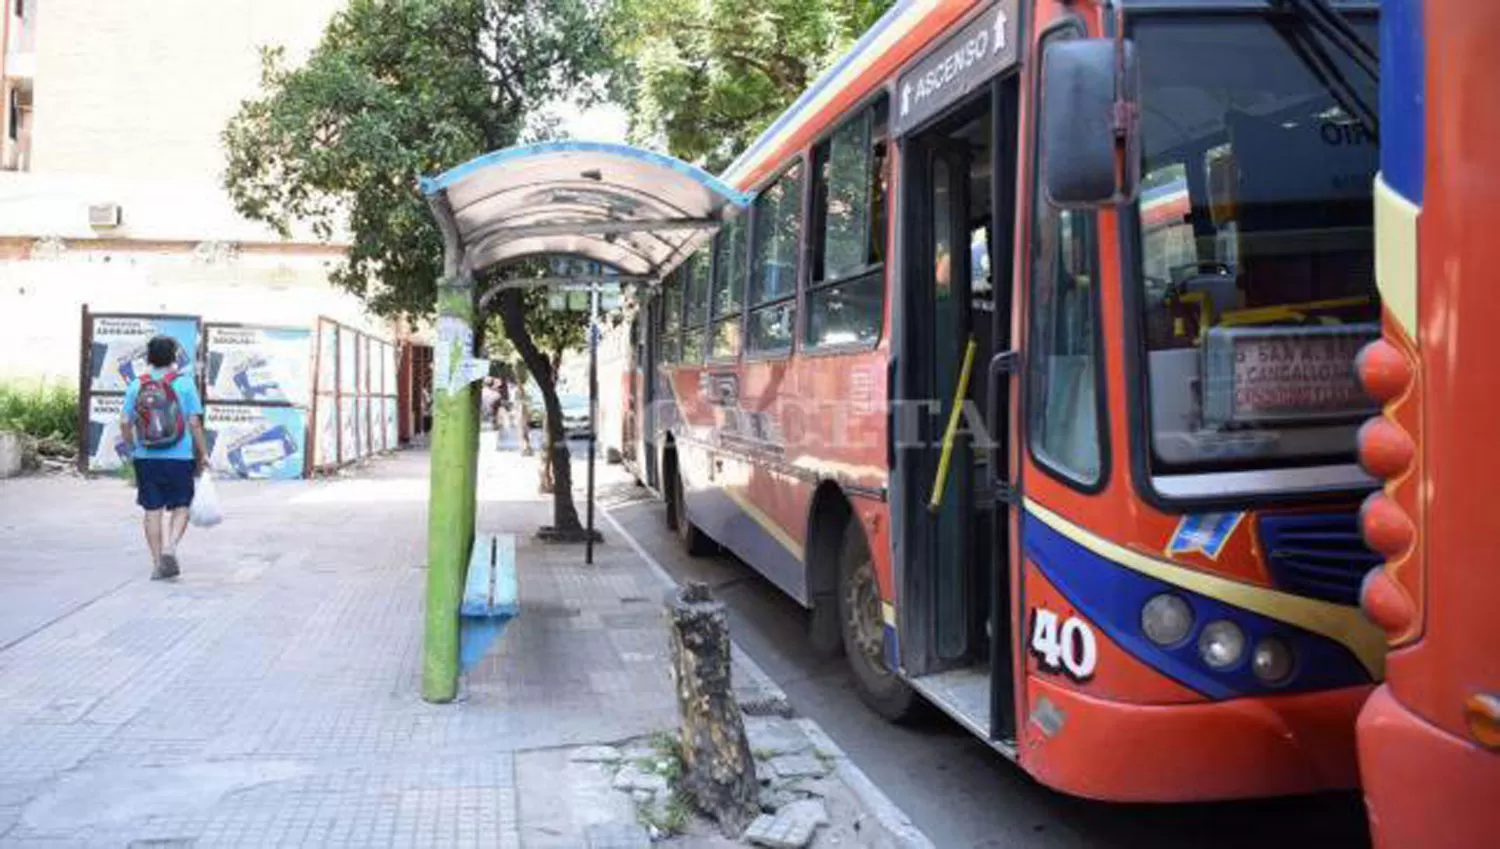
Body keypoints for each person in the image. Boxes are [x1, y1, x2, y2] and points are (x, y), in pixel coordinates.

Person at [119, 336, 209, 580]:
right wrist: (203, 453)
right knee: (181, 505)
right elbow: (194, 423)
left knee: (152, 509)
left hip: (146, 456)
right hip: (180, 457)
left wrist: (131, 446)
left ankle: (158, 562)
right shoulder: (185, 384)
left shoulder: (137, 385)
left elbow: (125, 421)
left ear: (148, 357)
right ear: (173, 357)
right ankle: (171, 548)